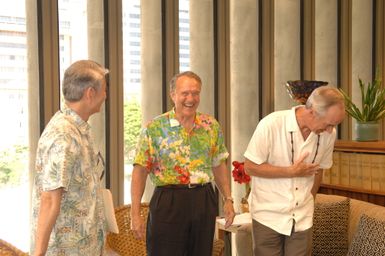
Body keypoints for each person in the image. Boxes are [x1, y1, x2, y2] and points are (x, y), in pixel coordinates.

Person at [131, 71, 235, 256]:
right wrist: (135, 213)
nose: (191, 98)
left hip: (203, 199)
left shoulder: (211, 125)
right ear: (173, 95)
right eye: (185, 93)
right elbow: (140, 172)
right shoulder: (154, 128)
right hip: (168, 201)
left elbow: (218, 164)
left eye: (195, 93)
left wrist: (227, 199)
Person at [244, 86, 345, 256]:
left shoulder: (329, 134)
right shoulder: (271, 124)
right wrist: (290, 171)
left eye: (334, 125)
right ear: (312, 112)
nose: (330, 130)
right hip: (267, 216)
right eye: (328, 124)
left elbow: (319, 170)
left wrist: (309, 198)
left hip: (302, 218)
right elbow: (250, 167)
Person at [30, 60, 109, 256]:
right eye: (104, 90)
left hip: (85, 247)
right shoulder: (63, 135)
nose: (106, 96)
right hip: (66, 250)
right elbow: (49, 199)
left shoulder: (78, 129)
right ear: (90, 93)